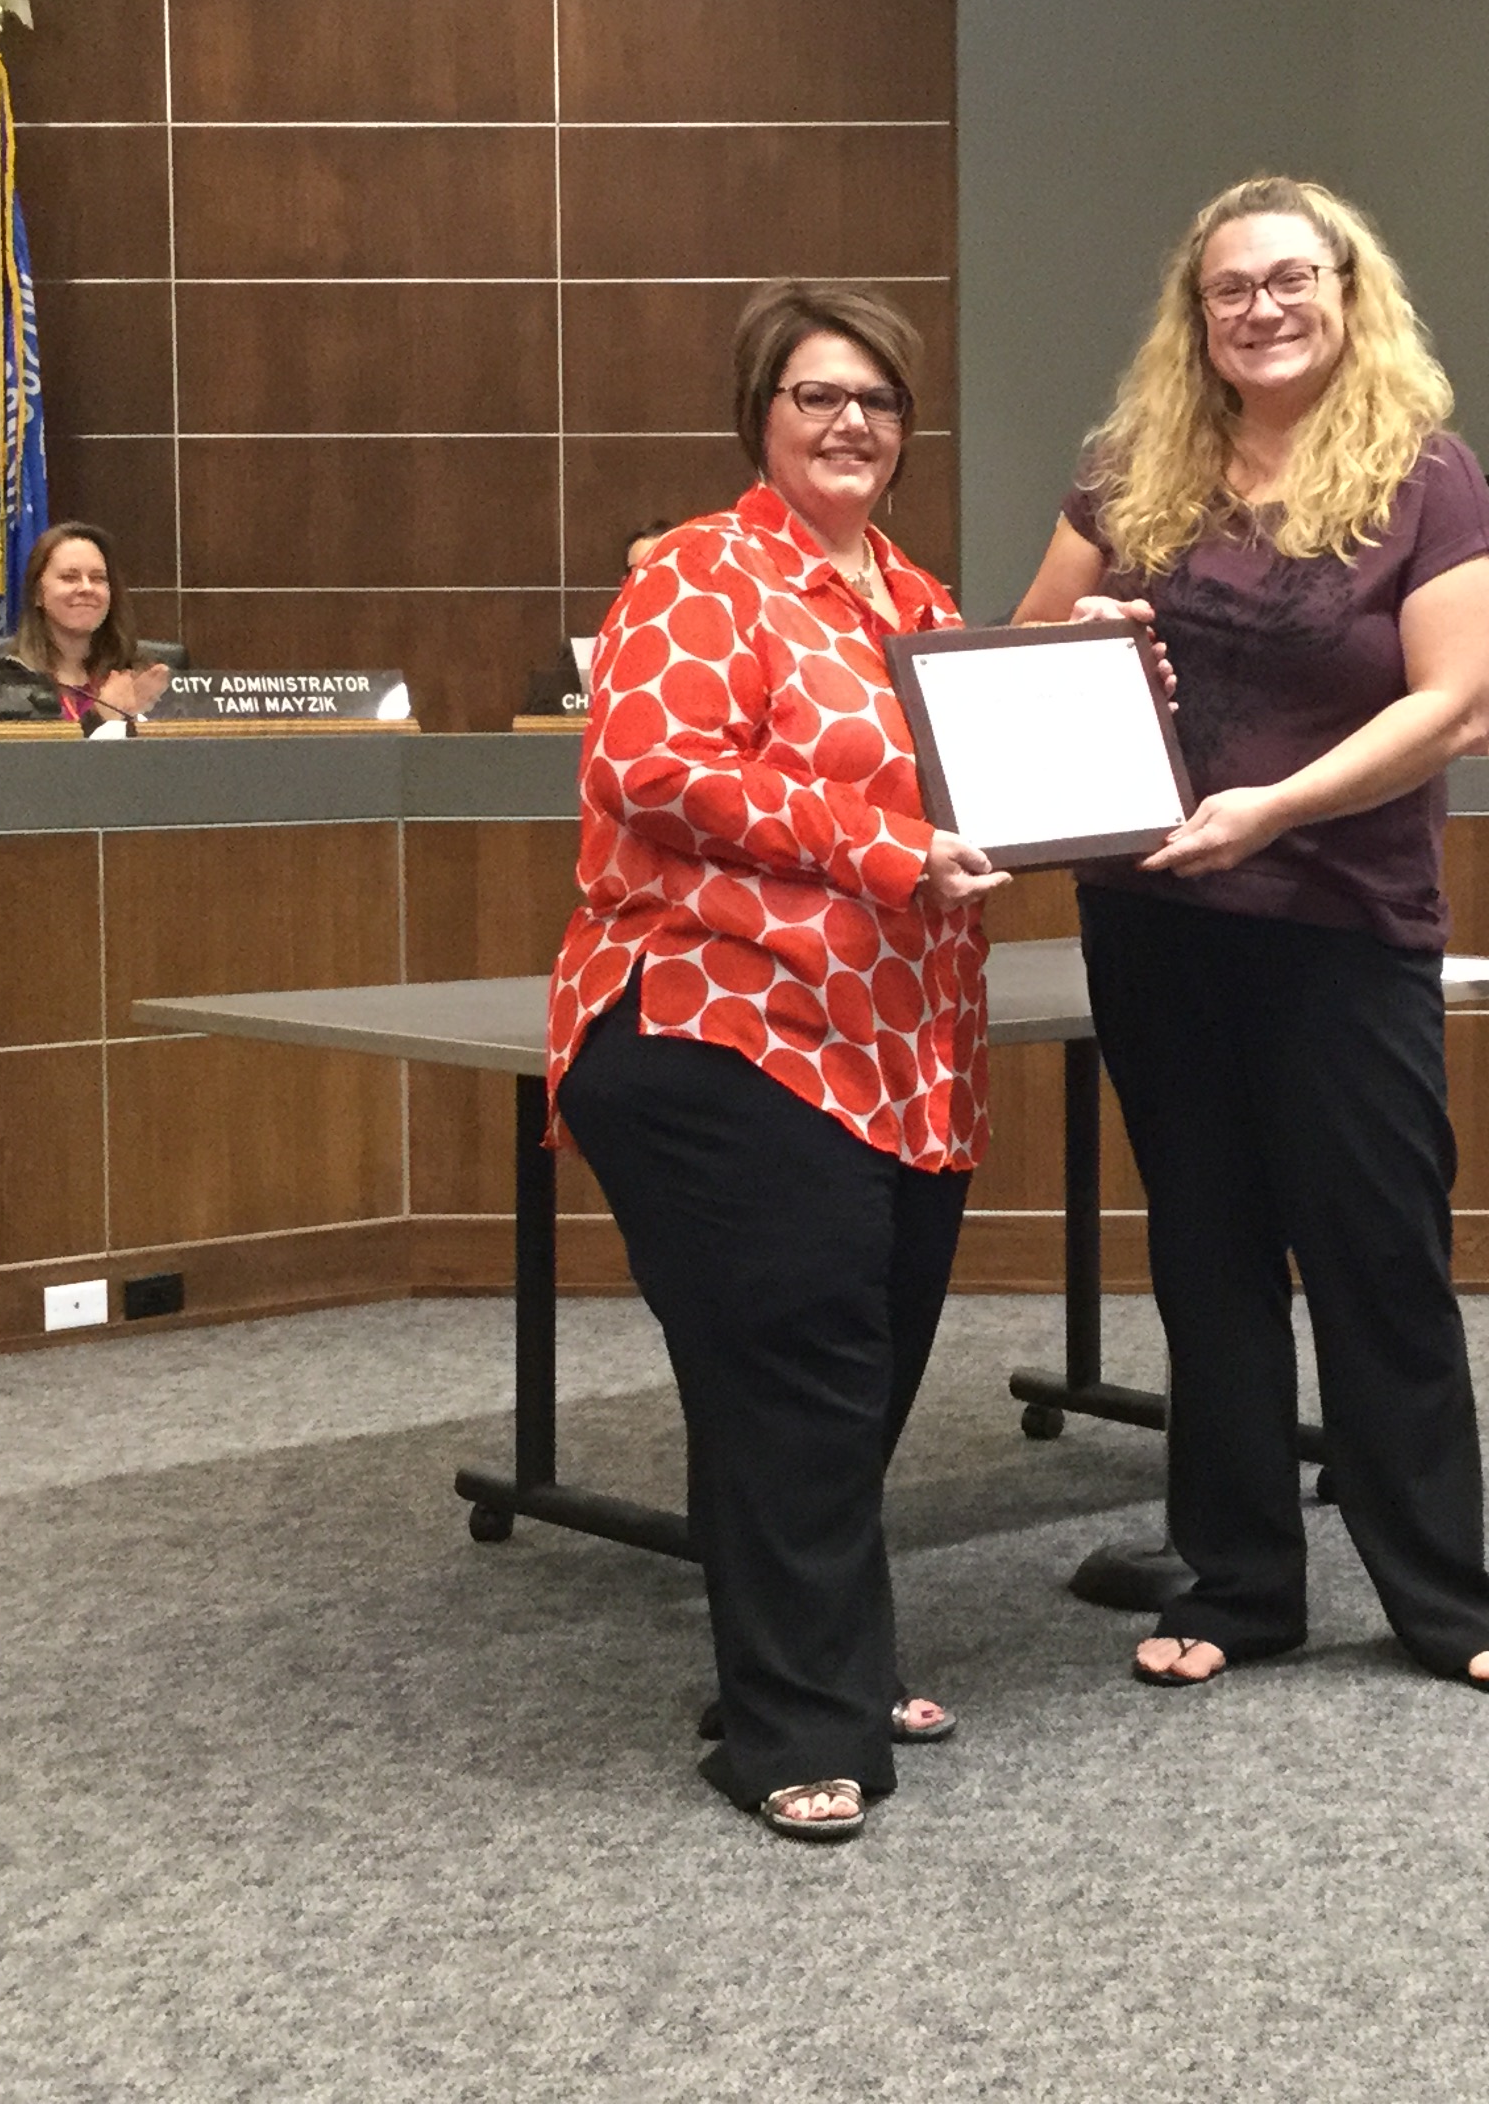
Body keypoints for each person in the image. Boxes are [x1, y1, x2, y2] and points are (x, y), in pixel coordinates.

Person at [1011, 174, 1489, 1700]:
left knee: (1378, 1261)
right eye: (1232, 288)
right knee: (1208, 1260)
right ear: (1197, 316)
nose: (1263, 309)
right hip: (1156, 920)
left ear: (1347, 292)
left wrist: (1274, 810)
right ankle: (1241, 1586)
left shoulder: (1427, 475)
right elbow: (1019, 655)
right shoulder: (1128, 470)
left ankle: (1441, 1592)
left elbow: (1461, 704)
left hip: (1342, 924)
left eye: (1292, 279)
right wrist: (1086, 640)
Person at [547, 281, 1007, 1846]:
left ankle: (823, 1659)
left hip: (898, 1050)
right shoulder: (698, 573)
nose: (851, 422)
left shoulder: (924, 604)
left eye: (878, 398)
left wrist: (1112, 695)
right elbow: (655, 768)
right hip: (720, 1026)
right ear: (762, 414)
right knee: (799, 1375)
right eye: (818, 394)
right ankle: (795, 1729)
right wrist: (887, 849)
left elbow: (1000, 782)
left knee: (855, 1371)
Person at [0, 523, 172, 734]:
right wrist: (100, 717)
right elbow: (29, 754)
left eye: (98, 578)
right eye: (69, 577)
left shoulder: (141, 671)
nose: (87, 588)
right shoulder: (1, 681)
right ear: (37, 594)